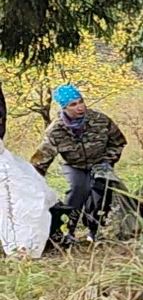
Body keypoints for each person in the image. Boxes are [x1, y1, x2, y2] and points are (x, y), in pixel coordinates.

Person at [32, 84, 128, 240]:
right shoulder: (55, 130)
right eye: (73, 104)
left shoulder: (100, 120)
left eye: (81, 101)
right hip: (74, 166)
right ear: (64, 108)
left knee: (101, 190)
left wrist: (107, 161)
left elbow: (118, 142)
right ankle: (67, 231)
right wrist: (32, 180)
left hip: (100, 163)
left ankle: (95, 230)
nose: (80, 107)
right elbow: (41, 160)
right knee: (78, 189)